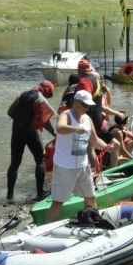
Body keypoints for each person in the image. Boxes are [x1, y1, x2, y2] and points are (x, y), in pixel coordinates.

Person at [46, 90, 107, 224]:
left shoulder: (88, 119)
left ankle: (95, 223)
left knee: (90, 198)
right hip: (64, 166)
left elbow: (95, 140)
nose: (88, 109)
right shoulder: (65, 115)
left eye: (89, 106)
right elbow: (60, 128)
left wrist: (106, 146)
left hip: (83, 166)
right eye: (85, 106)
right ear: (77, 103)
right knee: (58, 202)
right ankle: (45, 229)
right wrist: (75, 129)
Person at [6, 80, 57, 202]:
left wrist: (21, 120)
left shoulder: (22, 95)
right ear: (47, 92)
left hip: (17, 130)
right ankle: (40, 192)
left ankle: (10, 195)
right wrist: (55, 133)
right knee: (40, 159)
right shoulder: (40, 98)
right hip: (31, 131)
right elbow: (44, 120)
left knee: (14, 163)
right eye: (49, 95)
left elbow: (10, 112)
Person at [77, 59, 124, 167]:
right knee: (115, 144)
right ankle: (112, 169)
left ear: (78, 70)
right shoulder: (96, 80)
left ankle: (96, 173)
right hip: (99, 122)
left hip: (90, 122)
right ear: (90, 68)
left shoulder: (84, 81)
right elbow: (102, 106)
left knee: (90, 148)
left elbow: (83, 100)